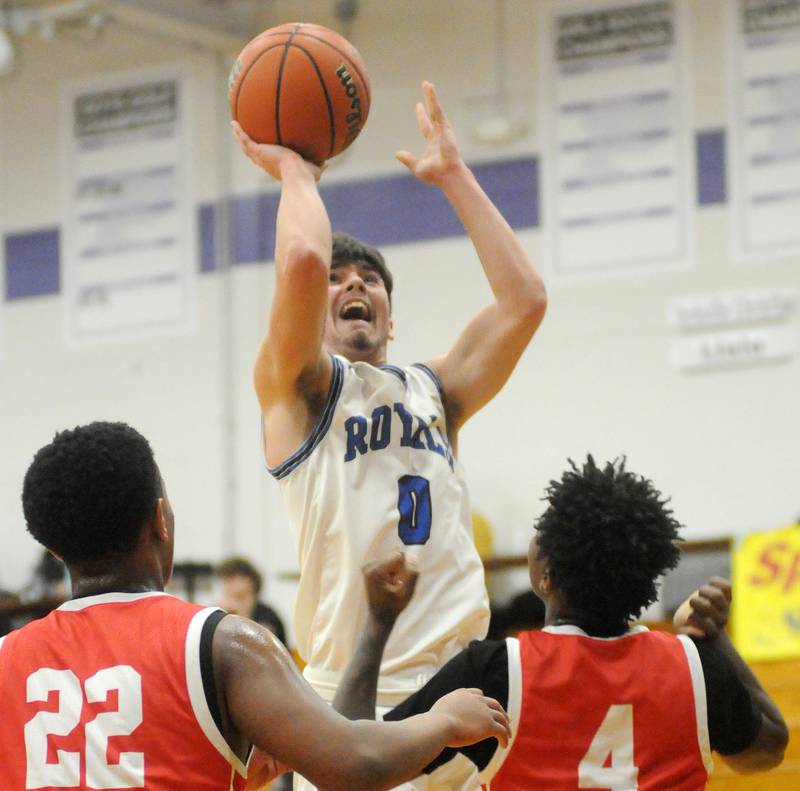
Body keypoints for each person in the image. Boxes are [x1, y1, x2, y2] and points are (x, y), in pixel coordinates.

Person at [232, 80, 546, 776]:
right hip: (353, 691)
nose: (353, 284)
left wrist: (455, 176)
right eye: (341, 279)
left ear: (390, 316)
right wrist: (295, 171)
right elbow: (304, 262)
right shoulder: (300, 390)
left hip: (462, 686)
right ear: (312, 316)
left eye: (370, 278)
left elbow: (524, 300)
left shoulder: (438, 388)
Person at [0, 422, 511, 791]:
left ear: (55, 550)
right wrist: (443, 720)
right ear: (160, 520)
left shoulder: (5, 658)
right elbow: (356, 764)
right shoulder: (224, 643)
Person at [334, 457, 789, 789]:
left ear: (545, 575)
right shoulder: (696, 666)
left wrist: (376, 624)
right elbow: (767, 750)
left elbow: (353, 766)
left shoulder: (499, 672)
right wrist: (715, 639)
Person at [218, 556, 287, 646]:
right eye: (225, 580)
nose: (227, 585)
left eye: (231, 579)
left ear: (250, 581)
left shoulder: (268, 615)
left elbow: (261, 643)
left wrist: (240, 613)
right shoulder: (223, 612)